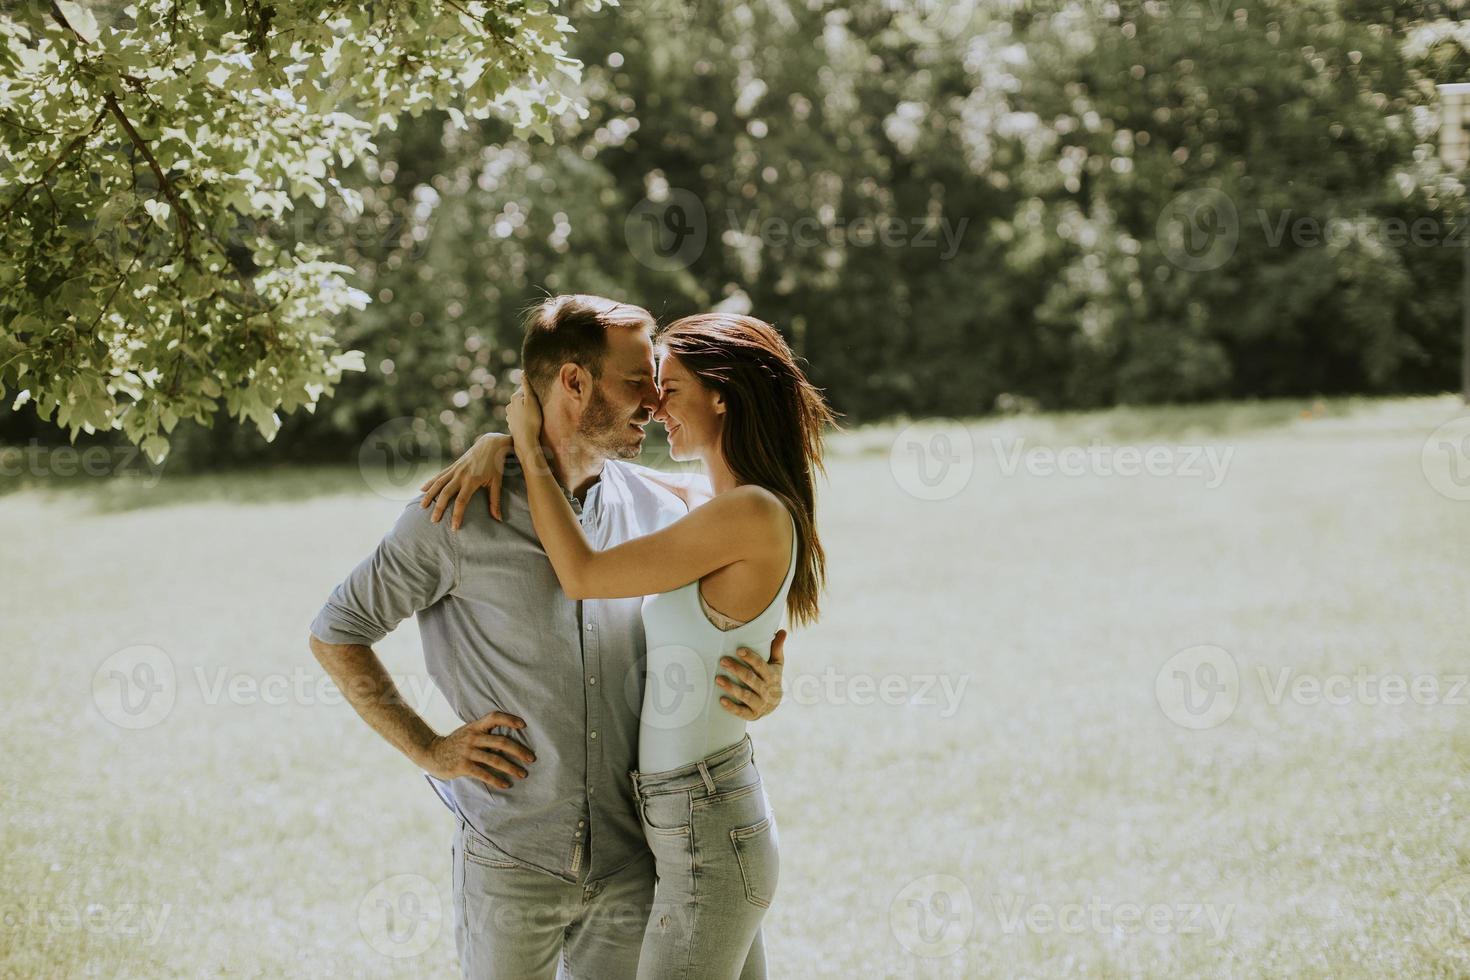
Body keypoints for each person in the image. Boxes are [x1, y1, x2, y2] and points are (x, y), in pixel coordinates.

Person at [308, 295, 787, 979]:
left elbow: (753, 548)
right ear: (573, 383)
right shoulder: (455, 514)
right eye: (636, 381)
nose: (654, 401)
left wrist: (762, 676)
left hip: (634, 862)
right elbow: (336, 632)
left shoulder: (660, 504)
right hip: (509, 859)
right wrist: (431, 748)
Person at [431, 311, 835, 978]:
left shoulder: (747, 513)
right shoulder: (720, 502)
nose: (654, 405)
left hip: (707, 823)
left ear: (722, 396)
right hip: (696, 818)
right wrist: (497, 445)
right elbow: (614, 477)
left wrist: (528, 451)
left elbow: (582, 574)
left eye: (669, 389)